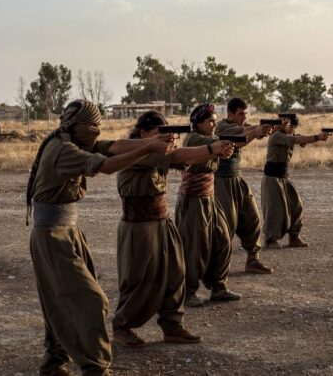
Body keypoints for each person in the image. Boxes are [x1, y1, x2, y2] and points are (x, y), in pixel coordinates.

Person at [26, 99, 172, 376]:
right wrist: (148, 148)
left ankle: (53, 363)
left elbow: (113, 146)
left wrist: (153, 142)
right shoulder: (63, 150)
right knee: (90, 301)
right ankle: (96, 368)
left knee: (62, 301)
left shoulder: (74, 140)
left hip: (67, 230)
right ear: (79, 126)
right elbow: (106, 165)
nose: (97, 131)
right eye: (94, 126)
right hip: (52, 235)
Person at [112, 111, 235, 348]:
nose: (164, 138)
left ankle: (172, 324)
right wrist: (212, 149)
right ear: (143, 133)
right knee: (139, 279)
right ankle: (122, 325)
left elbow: (184, 158)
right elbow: (178, 155)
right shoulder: (137, 151)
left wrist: (216, 151)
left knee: (175, 273)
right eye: (159, 133)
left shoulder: (157, 151)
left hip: (161, 221)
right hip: (139, 225)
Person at [175, 103, 241, 307]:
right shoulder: (194, 139)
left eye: (214, 121)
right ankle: (188, 291)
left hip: (209, 197)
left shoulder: (211, 140)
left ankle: (219, 287)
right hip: (193, 199)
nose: (214, 124)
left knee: (223, 239)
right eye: (210, 121)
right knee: (195, 246)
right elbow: (213, 145)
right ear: (198, 123)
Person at [214, 98, 275, 274]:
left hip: (237, 178)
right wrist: (256, 131)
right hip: (221, 181)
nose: (244, 117)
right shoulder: (221, 127)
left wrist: (265, 129)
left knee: (252, 217)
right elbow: (237, 138)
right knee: (226, 225)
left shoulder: (241, 126)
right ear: (230, 113)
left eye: (245, 114)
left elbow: (246, 130)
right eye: (240, 114)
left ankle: (253, 260)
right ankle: (218, 268)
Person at [261, 113, 331, 249]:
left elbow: (299, 138)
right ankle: (270, 239)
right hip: (272, 177)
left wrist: (311, 138)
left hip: (284, 176)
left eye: (294, 126)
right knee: (275, 209)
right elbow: (296, 139)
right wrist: (317, 137)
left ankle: (294, 237)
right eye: (291, 126)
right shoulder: (277, 136)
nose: (293, 129)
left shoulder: (288, 135)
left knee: (296, 205)